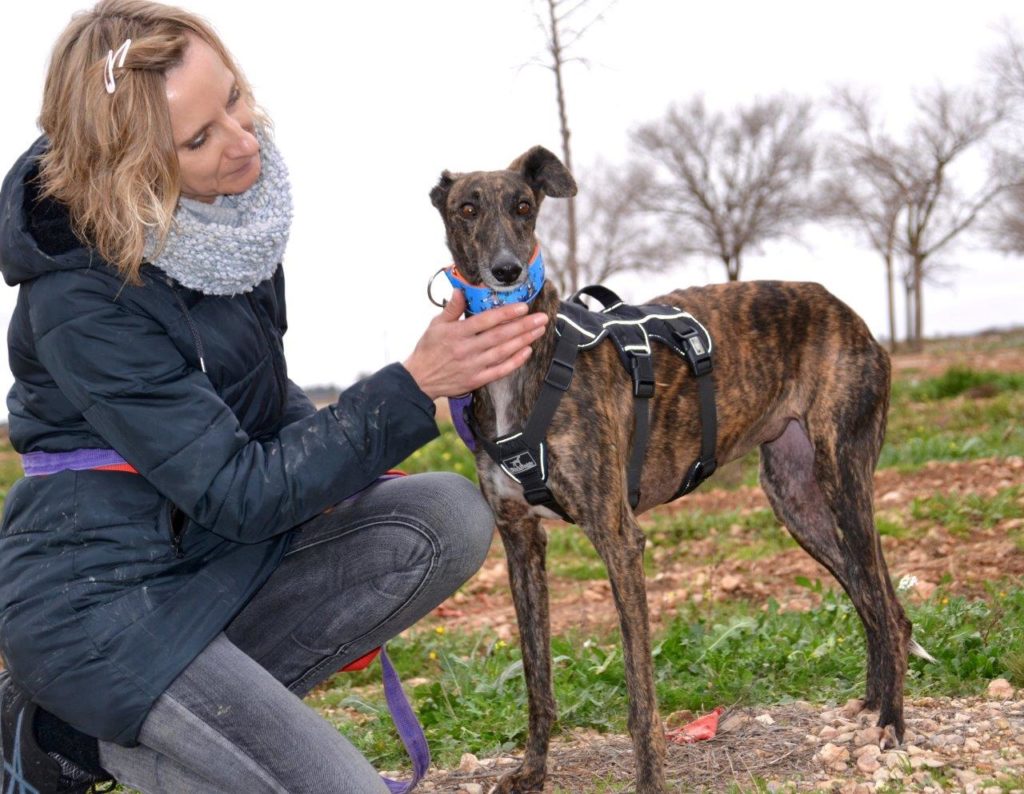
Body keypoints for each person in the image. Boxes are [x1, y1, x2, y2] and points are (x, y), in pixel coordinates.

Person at [0, 1, 548, 792]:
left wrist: (352, 463)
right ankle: (60, 736)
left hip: (217, 559)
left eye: (233, 96)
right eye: (199, 138)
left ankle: (159, 732)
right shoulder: (82, 298)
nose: (242, 137)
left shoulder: (228, 229)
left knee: (445, 518)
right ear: (134, 168)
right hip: (106, 606)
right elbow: (234, 487)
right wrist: (414, 386)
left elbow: (258, 403)